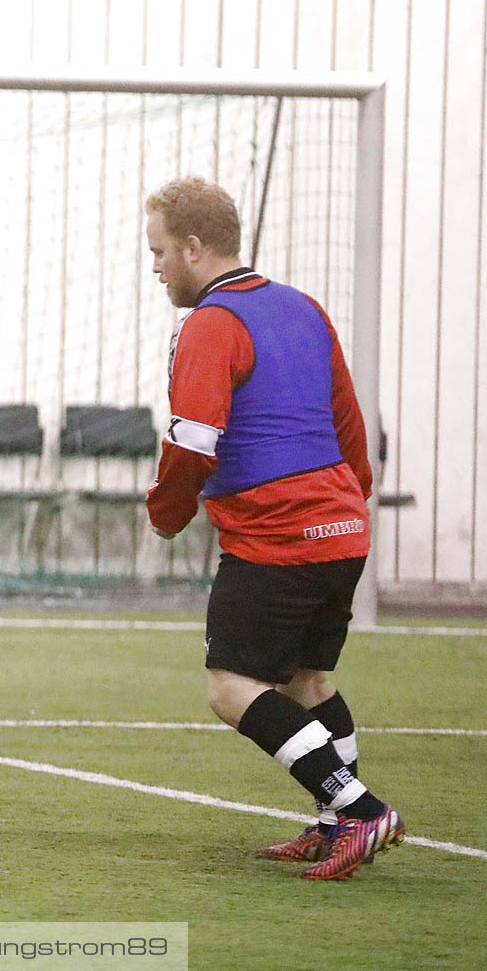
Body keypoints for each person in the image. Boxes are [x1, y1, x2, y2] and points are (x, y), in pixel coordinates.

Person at [144, 177, 402, 881]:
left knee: (232, 686)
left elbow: (193, 441)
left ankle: (357, 808)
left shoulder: (209, 323)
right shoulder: (304, 308)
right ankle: (331, 825)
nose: (157, 266)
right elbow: (349, 422)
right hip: (341, 526)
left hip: (278, 533)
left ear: (195, 247)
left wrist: (165, 513)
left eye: (161, 251)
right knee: (307, 680)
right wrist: (349, 506)